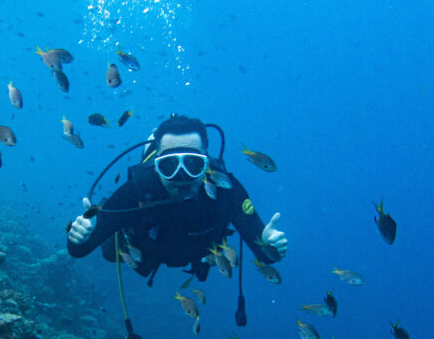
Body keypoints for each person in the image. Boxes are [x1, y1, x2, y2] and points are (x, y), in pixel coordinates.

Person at [67, 114, 287, 282]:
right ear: (156, 164)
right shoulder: (139, 188)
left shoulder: (226, 189)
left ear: (207, 162)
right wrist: (80, 237)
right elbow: (79, 250)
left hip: (197, 256)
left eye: (193, 164)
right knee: (110, 254)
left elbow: (266, 254)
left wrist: (271, 243)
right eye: (169, 165)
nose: (181, 177)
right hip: (145, 252)